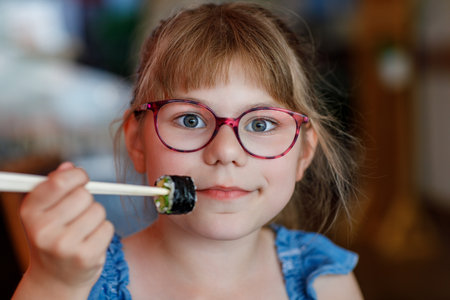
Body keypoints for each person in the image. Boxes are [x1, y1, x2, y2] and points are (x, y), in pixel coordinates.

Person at [12, 2, 363, 299]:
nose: (225, 152)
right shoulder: (78, 283)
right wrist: (52, 284)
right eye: (191, 120)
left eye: (260, 124)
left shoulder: (326, 281)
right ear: (137, 142)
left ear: (303, 154)